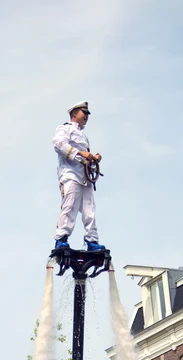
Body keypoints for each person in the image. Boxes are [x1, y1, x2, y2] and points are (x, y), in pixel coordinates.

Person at [52, 101, 106, 251]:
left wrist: (93, 158)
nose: (86, 117)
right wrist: (80, 154)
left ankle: (92, 240)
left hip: (84, 176)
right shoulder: (65, 129)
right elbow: (58, 144)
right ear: (74, 113)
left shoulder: (83, 136)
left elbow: (85, 156)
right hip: (70, 174)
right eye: (84, 113)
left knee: (90, 209)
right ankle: (61, 238)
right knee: (70, 205)